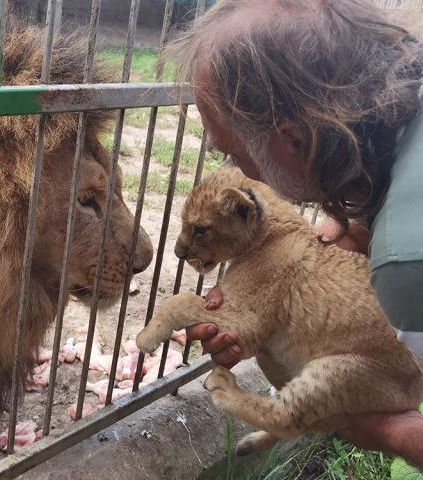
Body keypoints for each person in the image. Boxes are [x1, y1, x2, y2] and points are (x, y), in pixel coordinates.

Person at [168, 0, 423, 468]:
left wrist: (399, 432)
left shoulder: (408, 263)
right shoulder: (406, 104)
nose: (237, 171)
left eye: (233, 153)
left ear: (296, 140)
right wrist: (312, 249)